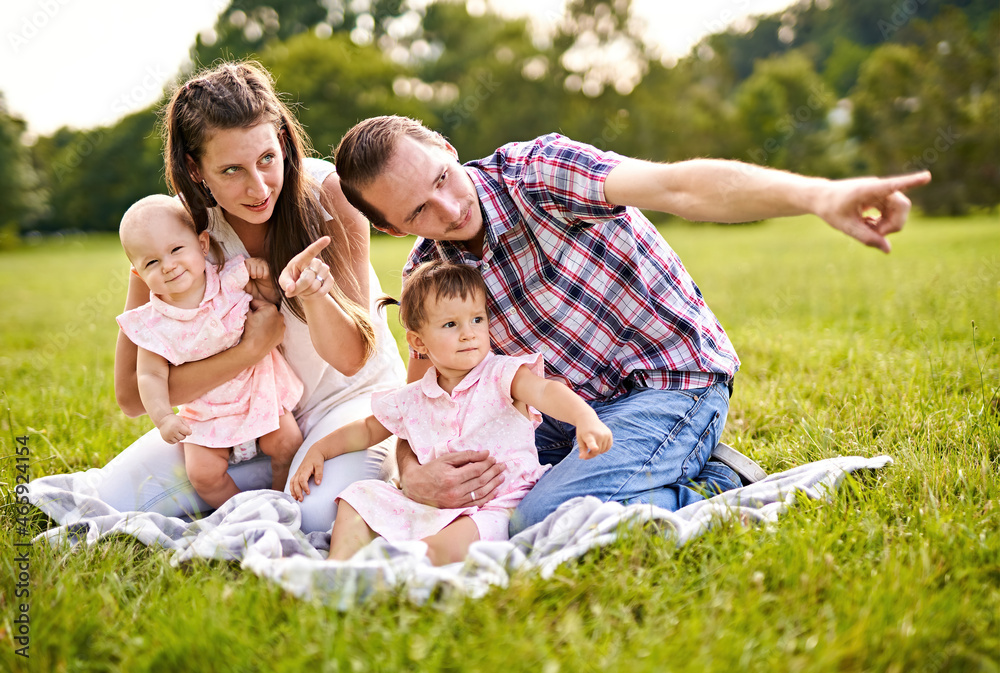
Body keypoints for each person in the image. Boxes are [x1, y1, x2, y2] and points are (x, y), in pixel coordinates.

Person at [332, 115, 932, 535]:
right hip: (568, 414)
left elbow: (679, 186)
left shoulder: (536, 172)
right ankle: (652, 472)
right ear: (391, 228)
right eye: (417, 211)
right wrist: (413, 475)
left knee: (537, 519)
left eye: (442, 178)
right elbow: (426, 398)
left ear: (443, 145)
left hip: (671, 382)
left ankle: (718, 480)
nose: (449, 208)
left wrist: (819, 195)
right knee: (463, 506)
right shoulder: (429, 271)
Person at [29, 62, 405, 534]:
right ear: (195, 168)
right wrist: (249, 352)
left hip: (347, 405)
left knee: (312, 517)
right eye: (231, 170)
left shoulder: (330, 195)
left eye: (268, 158)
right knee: (108, 501)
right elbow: (132, 395)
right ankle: (253, 485)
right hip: (236, 418)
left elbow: (353, 360)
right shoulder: (174, 236)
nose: (259, 187)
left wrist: (313, 296)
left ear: (284, 144)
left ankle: (296, 482)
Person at [288, 261, 613, 565]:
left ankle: (397, 569)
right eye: (450, 324)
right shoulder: (413, 397)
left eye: (476, 319)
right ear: (419, 341)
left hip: (496, 504)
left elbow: (546, 392)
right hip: (431, 505)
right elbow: (366, 430)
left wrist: (585, 418)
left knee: (438, 550)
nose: (468, 332)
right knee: (358, 496)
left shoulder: (501, 375)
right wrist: (320, 449)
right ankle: (339, 566)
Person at [116, 195, 305, 507]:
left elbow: (271, 301)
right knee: (203, 474)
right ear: (137, 273)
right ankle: (240, 511)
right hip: (206, 410)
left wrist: (265, 275)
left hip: (257, 389)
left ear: (202, 244)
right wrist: (164, 418)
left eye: (176, 249)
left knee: (287, 443)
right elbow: (149, 374)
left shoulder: (230, 278)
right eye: (151, 262)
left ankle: (278, 499)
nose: (168, 265)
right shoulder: (153, 324)